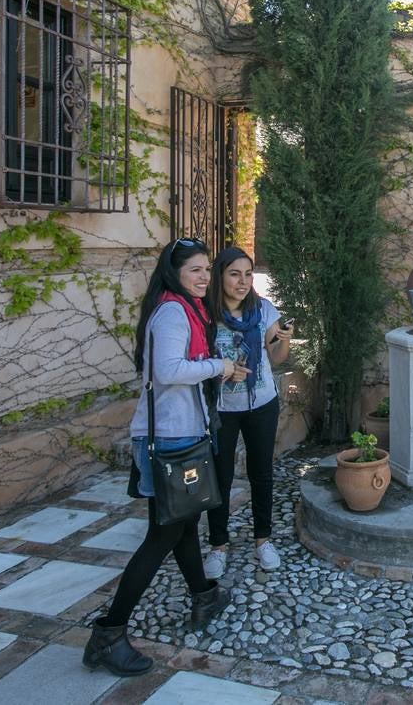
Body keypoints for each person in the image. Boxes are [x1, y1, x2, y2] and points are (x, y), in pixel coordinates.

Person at [83, 238, 245, 676]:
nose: (203, 277)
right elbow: (168, 371)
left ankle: (204, 596)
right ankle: (109, 632)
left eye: (206, 269)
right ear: (174, 273)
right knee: (162, 535)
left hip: (184, 434)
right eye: (195, 269)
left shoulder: (185, 308)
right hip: (171, 440)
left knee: (184, 524)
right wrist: (220, 367)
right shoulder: (173, 312)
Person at [202, 246, 292, 578]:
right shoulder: (206, 315)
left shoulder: (263, 309)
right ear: (220, 276)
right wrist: (223, 371)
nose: (242, 282)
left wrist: (283, 339)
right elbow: (199, 362)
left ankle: (263, 541)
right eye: (234, 274)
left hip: (261, 403)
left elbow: (278, 357)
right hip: (222, 408)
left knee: (261, 473)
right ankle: (218, 546)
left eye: (248, 274)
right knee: (220, 477)